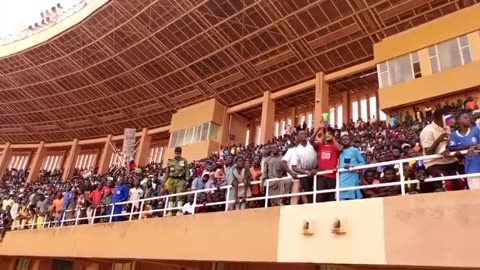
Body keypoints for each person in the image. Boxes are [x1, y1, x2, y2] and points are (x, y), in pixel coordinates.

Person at [420, 108, 463, 192]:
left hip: (449, 160)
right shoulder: (428, 130)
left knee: (460, 182)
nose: (450, 121)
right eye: (447, 118)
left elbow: (448, 145)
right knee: (447, 184)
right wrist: (438, 140)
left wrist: (447, 149)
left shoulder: (447, 128)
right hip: (434, 162)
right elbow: (428, 152)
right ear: (439, 118)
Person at [310, 122, 342, 202]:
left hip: (332, 176)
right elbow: (311, 141)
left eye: (330, 133)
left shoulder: (335, 145)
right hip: (321, 176)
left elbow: (340, 149)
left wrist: (332, 137)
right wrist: (318, 130)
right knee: (320, 198)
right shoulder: (321, 145)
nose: (328, 135)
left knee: (332, 198)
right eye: (326, 134)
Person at [449, 112, 480, 189]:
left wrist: (474, 146)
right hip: (471, 169)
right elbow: (452, 148)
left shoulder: (476, 129)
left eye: (469, 117)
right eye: (465, 117)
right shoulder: (454, 135)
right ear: (459, 121)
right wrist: (468, 146)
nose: (469, 119)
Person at [291, 130, 318, 203]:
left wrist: (316, 169)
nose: (304, 135)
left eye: (305, 134)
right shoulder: (296, 150)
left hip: (316, 171)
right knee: (309, 193)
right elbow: (293, 167)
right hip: (305, 173)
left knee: (319, 192)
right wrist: (306, 172)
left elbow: (320, 155)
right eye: (302, 134)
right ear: (297, 136)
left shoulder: (312, 144)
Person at [338, 135, 366, 200]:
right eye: (343, 139)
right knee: (342, 199)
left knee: (353, 199)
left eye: (346, 139)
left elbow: (363, 162)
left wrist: (353, 166)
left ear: (350, 141)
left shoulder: (355, 150)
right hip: (342, 177)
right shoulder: (340, 152)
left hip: (352, 176)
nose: (345, 140)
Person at [165, 147, 189, 216]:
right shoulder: (170, 161)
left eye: (179, 153)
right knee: (172, 196)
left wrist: (187, 180)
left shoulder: (184, 160)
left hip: (181, 180)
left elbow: (187, 171)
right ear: (174, 153)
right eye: (176, 152)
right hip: (172, 179)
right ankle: (170, 211)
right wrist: (165, 181)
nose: (177, 154)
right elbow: (167, 172)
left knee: (180, 195)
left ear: (181, 153)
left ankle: (179, 210)